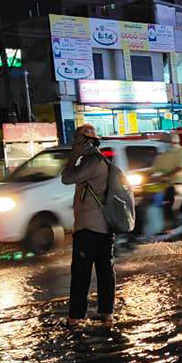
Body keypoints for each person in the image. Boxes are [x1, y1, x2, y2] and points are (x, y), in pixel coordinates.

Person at [60, 124, 115, 326]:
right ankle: (106, 314)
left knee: (81, 275)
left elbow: (66, 178)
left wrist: (73, 157)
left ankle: (75, 318)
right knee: (104, 272)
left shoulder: (92, 163)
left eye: (77, 141)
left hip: (89, 229)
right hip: (104, 228)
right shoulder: (102, 161)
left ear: (86, 141)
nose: (74, 144)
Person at [150, 133, 182, 222]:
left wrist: (166, 176)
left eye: (166, 142)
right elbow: (154, 169)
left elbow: (179, 168)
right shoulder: (162, 155)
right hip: (165, 185)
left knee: (170, 194)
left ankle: (173, 219)